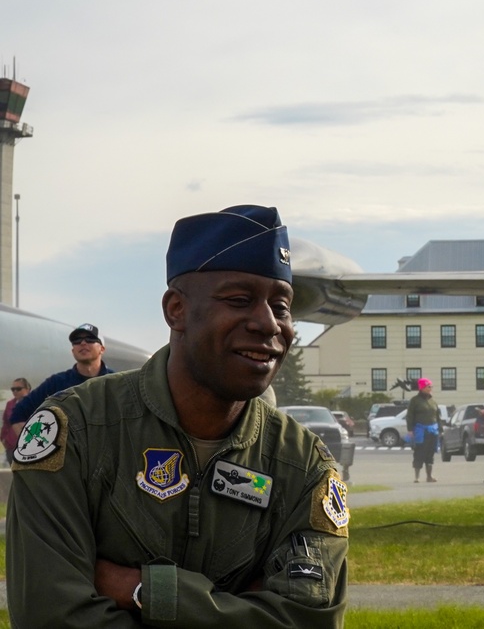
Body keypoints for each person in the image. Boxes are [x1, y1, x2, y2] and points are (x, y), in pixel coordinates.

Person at [6, 205, 349, 628]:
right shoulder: (75, 432)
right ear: (176, 310)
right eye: (239, 300)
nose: (268, 324)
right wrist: (239, 607)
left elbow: (308, 621)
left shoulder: (303, 466)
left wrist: (146, 591)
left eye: (281, 306)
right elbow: (50, 614)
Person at [9, 322, 114, 437]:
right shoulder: (57, 383)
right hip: (70, 454)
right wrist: (37, 447)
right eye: (77, 340)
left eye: (90, 339)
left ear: (102, 349)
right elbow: (18, 414)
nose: (83, 343)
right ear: (73, 351)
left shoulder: (116, 382)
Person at [406, 377, 440, 483]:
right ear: (422, 387)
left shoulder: (433, 401)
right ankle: (417, 477)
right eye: (428, 386)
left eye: (431, 386)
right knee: (419, 453)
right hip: (420, 431)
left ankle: (429, 476)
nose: (430, 388)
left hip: (433, 431)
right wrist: (410, 430)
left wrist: (441, 429)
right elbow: (409, 415)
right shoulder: (415, 400)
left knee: (430, 453)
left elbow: (437, 416)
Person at [1, 377, 31, 463]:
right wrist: (4, 439)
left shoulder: (34, 402)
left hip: (29, 447)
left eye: (18, 389)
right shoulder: (10, 404)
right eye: (13, 389)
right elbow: (5, 423)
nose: (15, 392)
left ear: (27, 389)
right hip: (12, 446)